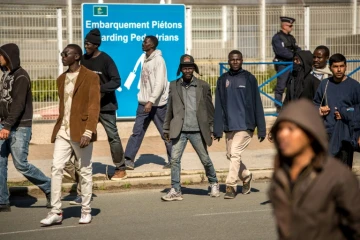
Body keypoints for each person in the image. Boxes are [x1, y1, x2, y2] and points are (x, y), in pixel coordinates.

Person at [268, 99, 360, 240]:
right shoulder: (280, 178)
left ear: (310, 134)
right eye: (280, 129)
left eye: (291, 129)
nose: (283, 135)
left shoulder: (338, 176)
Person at [64, 28, 127, 205]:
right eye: (85, 42)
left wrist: (98, 89)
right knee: (81, 138)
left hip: (105, 107)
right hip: (86, 109)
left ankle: (120, 168)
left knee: (113, 136)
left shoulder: (106, 60)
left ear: (96, 45)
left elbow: (116, 81)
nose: (86, 45)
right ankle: (81, 179)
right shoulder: (81, 60)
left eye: (89, 43)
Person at [40, 44, 100, 225]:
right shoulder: (61, 79)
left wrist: (89, 131)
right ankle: (56, 211)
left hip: (82, 131)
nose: (62, 56)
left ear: (76, 56)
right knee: (56, 168)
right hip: (63, 131)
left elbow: (94, 105)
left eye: (66, 54)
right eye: (62, 53)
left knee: (84, 170)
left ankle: (86, 209)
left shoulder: (91, 77)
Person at [0, 43, 51, 212]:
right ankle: (2, 201)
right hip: (5, 124)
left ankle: (50, 188)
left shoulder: (21, 76)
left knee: (21, 164)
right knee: (0, 162)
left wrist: (7, 126)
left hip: (19, 127)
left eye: (1, 55)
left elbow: (18, 105)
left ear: (9, 56)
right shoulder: (6, 75)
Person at [161, 54, 220, 201]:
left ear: (194, 68)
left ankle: (214, 182)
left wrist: (212, 128)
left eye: (190, 67)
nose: (187, 70)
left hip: (197, 130)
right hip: (179, 130)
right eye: (185, 68)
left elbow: (209, 109)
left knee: (205, 159)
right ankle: (175, 189)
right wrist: (166, 128)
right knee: (174, 159)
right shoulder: (173, 85)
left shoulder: (202, 85)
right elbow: (169, 109)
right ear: (181, 69)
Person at [213, 50, 266, 199]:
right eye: (232, 59)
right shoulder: (223, 80)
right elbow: (219, 106)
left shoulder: (249, 79)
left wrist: (261, 129)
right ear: (228, 61)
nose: (235, 62)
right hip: (230, 126)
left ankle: (230, 186)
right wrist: (217, 129)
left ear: (242, 60)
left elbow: (257, 104)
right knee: (231, 155)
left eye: (238, 59)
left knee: (235, 153)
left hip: (245, 126)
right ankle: (247, 176)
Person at [124, 36, 172, 170]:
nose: (143, 43)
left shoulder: (159, 60)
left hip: (157, 106)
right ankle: (128, 159)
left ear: (152, 45)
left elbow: (160, 83)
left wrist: (151, 101)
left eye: (145, 42)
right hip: (143, 104)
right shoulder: (145, 59)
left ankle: (174, 160)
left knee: (165, 132)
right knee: (137, 131)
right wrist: (145, 100)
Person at [314, 53, 360, 168]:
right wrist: (320, 110)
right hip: (327, 132)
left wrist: (347, 113)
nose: (339, 70)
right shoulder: (325, 84)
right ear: (330, 68)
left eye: (341, 66)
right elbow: (315, 104)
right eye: (335, 66)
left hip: (346, 134)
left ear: (346, 67)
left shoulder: (354, 86)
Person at [272, 16, 301, 112]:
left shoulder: (291, 38)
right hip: (283, 64)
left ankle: (289, 106)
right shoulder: (277, 38)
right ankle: (279, 107)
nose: (291, 28)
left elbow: (296, 48)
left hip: (292, 64)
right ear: (284, 26)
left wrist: (301, 54)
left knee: (291, 86)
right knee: (280, 87)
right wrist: (294, 56)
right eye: (290, 26)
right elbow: (281, 52)